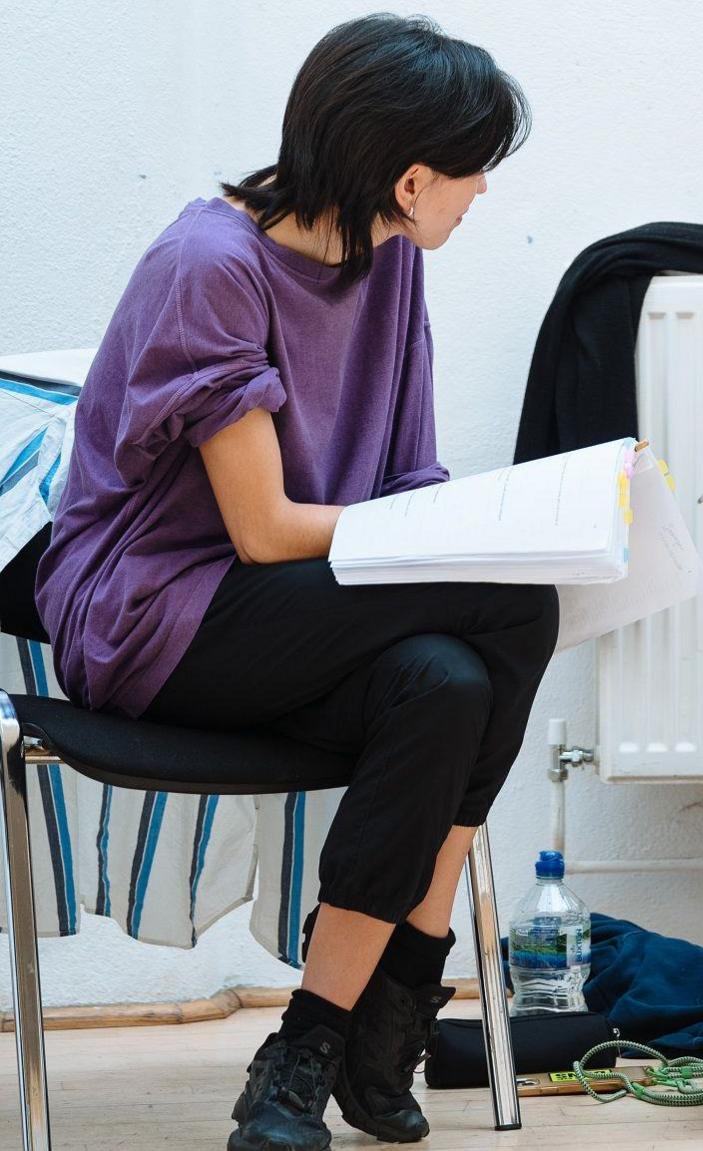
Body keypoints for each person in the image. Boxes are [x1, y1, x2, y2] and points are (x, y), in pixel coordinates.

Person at [34, 16, 554, 1150]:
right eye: (473, 177)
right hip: (153, 618)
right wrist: (483, 538)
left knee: (447, 681)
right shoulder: (210, 266)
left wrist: (470, 521)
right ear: (412, 177)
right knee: (517, 600)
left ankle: (312, 1043)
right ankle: (412, 976)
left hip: (292, 626)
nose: (477, 200)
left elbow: (408, 475)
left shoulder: (390, 260)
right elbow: (265, 530)